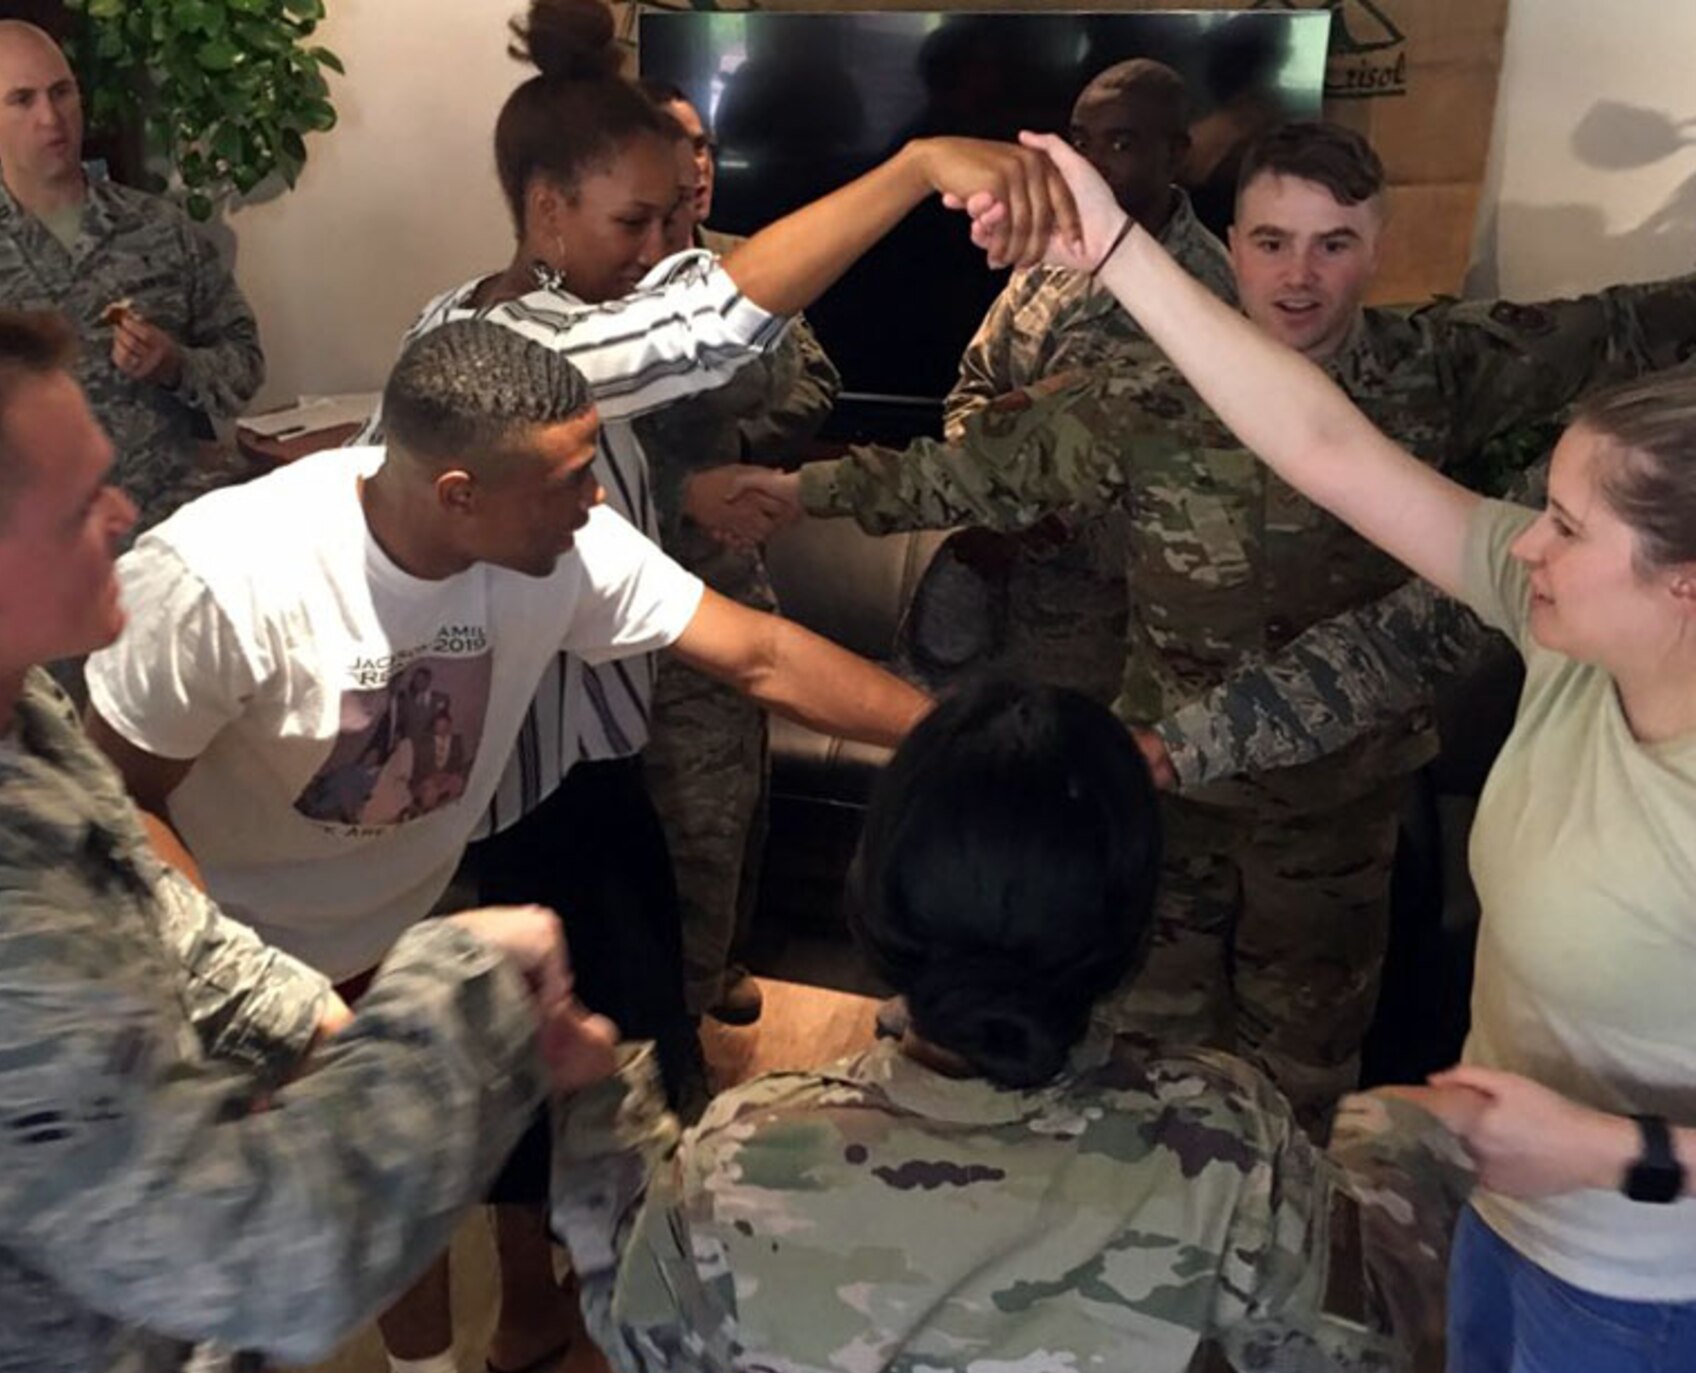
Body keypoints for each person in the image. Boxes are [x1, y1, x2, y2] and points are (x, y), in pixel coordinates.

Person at [320, 1, 1070, 1373]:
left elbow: (718, 605)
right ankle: (604, 1340)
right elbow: (718, 323)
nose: (664, 253)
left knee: (528, 1066)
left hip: (518, 781)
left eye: (679, 217)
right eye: (634, 223)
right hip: (522, 794)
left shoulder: (463, 320)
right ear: (547, 214)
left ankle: (535, 1317)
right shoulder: (535, 344)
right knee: (600, 1065)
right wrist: (916, 169)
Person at [0, 297, 618, 1373]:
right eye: (72, 506)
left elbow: (144, 903)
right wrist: (460, 990)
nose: (123, 513)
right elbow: (270, 1265)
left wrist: (326, 1026)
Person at [727, 122, 1696, 1133]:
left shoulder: (1440, 369)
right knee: (1145, 1058)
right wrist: (799, 491)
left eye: (1334, 243)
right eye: (1270, 241)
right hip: (1168, 791)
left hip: (1334, 807)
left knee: (1303, 1076)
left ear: (1376, 247)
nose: (1299, 275)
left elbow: (1621, 322)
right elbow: (972, 473)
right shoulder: (1142, 392)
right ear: (1226, 244)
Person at [84, 319, 939, 1373]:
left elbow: (761, 656)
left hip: (391, 936)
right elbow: (109, 811)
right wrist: (272, 1005)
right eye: (571, 481)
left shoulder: (559, 543)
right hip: (212, 969)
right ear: (456, 494)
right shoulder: (221, 580)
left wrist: (965, 741)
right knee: (241, 1297)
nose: (596, 502)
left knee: (404, 1187)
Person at [1024, 121, 1696, 1373]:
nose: (1528, 545)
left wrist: (1620, 1154)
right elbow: (1323, 447)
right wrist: (1114, 251)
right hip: (1516, 1231)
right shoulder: (1566, 638)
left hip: (1647, 1297)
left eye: (1566, 524)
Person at [549, 677, 1477, 1373]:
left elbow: (645, 1343)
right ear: (1128, 929)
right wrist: (1401, 1145)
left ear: (873, 899)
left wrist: (604, 1116)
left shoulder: (748, 1145)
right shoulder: (1225, 1143)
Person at [909, 57, 1237, 702]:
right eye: (1082, 143)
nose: (1093, 163)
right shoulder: (1053, 254)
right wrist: (992, 488)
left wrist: (1042, 524)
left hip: (1124, 641)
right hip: (1001, 615)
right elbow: (973, 384)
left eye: (1121, 142)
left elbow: (1200, 483)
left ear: (1176, 154)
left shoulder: (1208, 291)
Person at [634, 79, 844, 1029]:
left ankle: (716, 967)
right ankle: (672, 1022)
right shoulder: (600, 294)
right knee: (680, 828)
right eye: (679, 152)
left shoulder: (750, 268)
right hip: (642, 599)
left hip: (734, 581)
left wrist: (752, 450)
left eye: (705, 148)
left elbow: (817, 378)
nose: (700, 168)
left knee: (737, 806)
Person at [0, 20, 263, 538]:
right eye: (22, 100)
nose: (51, 118)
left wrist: (176, 365)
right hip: (36, 562)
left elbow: (244, 365)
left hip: (171, 540)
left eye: (61, 92)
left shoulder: (158, 229)